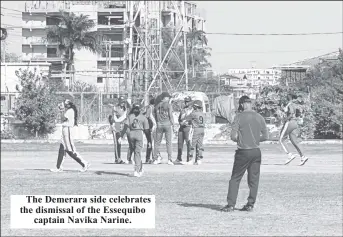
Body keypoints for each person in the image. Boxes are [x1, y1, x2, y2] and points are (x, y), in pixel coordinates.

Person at [221, 96, 268, 212]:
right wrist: (255, 140)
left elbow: (233, 136)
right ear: (250, 103)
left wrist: (241, 140)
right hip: (256, 151)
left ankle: (231, 204)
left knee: (235, 178)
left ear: (242, 104)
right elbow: (266, 136)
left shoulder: (239, 117)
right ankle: (250, 204)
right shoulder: (259, 117)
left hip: (243, 151)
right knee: (253, 179)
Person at [51, 99, 90, 173]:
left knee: (70, 151)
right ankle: (58, 167)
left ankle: (85, 163)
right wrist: (61, 110)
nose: (65, 105)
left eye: (66, 104)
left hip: (68, 130)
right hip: (65, 130)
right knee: (62, 149)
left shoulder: (70, 111)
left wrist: (61, 110)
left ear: (69, 104)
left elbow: (63, 119)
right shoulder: (69, 110)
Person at [119, 103, 152, 177]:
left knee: (136, 152)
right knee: (138, 153)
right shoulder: (143, 117)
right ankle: (136, 170)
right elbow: (147, 131)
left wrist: (121, 136)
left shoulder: (130, 116)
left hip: (131, 134)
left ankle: (140, 169)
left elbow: (125, 126)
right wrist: (149, 140)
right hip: (139, 134)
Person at [280, 93, 309, 166]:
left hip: (290, 122)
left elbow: (291, 114)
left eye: (287, 96)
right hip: (294, 123)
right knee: (294, 141)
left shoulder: (290, 105)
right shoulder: (293, 105)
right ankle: (303, 157)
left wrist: (285, 119)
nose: (286, 97)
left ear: (290, 97)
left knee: (281, 139)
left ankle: (290, 155)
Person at [152, 92, 175, 165]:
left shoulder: (157, 106)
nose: (169, 99)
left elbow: (154, 114)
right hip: (167, 124)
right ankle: (170, 159)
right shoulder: (168, 105)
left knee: (157, 142)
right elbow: (170, 115)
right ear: (165, 98)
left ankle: (155, 159)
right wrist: (173, 124)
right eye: (168, 97)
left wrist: (157, 121)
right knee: (168, 142)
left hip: (159, 124)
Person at [185, 100, 205, 165]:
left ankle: (190, 160)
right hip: (202, 129)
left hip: (196, 129)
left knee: (192, 144)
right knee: (200, 145)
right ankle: (199, 160)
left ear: (196, 107)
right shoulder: (203, 114)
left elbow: (186, 118)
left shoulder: (194, 113)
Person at [175, 96, 193, 164]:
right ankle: (179, 158)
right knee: (180, 143)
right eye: (185, 101)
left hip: (188, 127)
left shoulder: (192, 110)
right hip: (181, 127)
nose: (186, 103)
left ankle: (189, 159)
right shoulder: (183, 109)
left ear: (190, 102)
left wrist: (188, 122)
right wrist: (180, 122)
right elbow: (179, 118)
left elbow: (194, 119)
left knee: (188, 143)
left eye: (188, 101)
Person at [143, 97, 156, 163]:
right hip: (150, 128)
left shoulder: (150, 108)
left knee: (151, 142)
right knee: (150, 143)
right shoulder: (150, 108)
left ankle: (152, 157)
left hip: (151, 127)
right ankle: (148, 158)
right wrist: (149, 127)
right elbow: (146, 117)